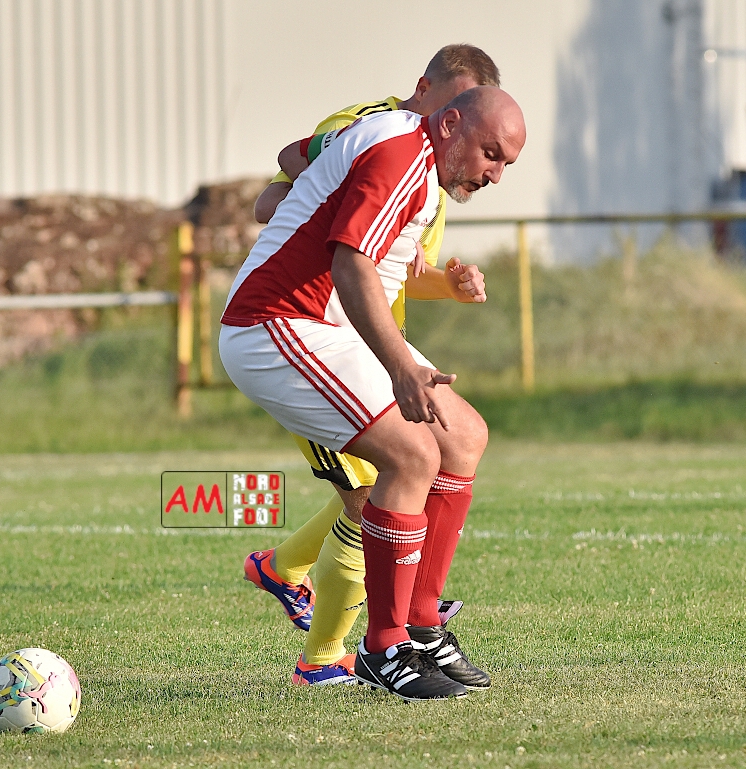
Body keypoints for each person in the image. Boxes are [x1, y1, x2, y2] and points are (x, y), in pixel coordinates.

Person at [221, 86, 526, 700]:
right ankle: (383, 646)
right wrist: (401, 369)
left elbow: (299, 165)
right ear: (449, 121)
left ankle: (421, 624)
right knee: (411, 457)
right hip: (274, 322)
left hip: (327, 324)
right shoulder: (399, 151)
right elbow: (349, 263)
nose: (494, 174)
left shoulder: (408, 151)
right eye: (490, 153)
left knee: (464, 437)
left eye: (506, 163)